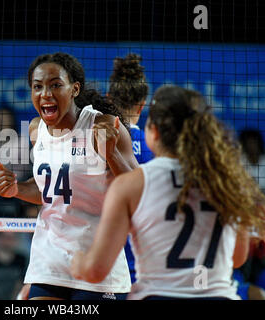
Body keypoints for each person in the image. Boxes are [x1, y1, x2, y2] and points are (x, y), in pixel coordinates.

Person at [71, 85, 265, 300]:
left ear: (153, 132)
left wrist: (78, 261)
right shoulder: (230, 181)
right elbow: (237, 258)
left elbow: (95, 271)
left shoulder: (131, 184)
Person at [0, 52, 138, 300]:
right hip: (50, 262)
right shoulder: (36, 129)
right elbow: (49, 192)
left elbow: (138, 192)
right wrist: (16, 189)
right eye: (37, 87)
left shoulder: (103, 125)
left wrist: (111, 155)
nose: (45, 94)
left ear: (74, 89)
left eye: (55, 85)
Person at [108, 52, 153, 284]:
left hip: (105, 255)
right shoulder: (154, 147)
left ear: (108, 98)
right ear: (143, 104)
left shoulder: (96, 143)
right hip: (141, 259)